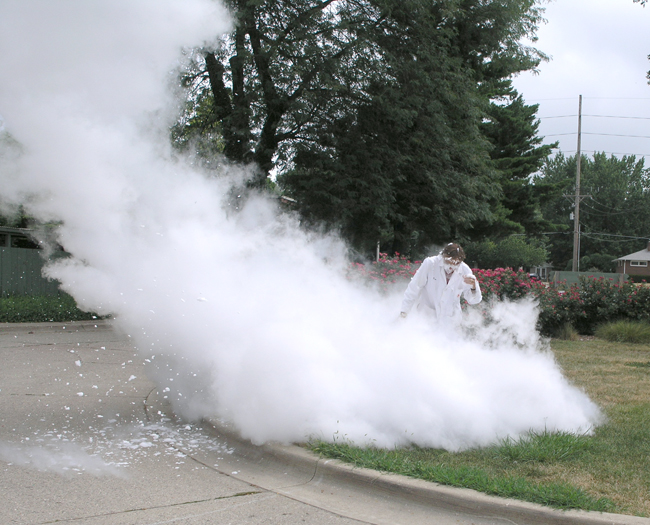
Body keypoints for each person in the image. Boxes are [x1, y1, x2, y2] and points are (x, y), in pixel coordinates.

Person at [400, 243, 481, 322]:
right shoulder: (430, 263)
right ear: (443, 256)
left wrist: (473, 286)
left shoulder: (465, 270)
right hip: (426, 318)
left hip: (451, 321)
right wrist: (404, 311)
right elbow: (414, 287)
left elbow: (473, 300)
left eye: (456, 264)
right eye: (450, 262)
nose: (452, 267)